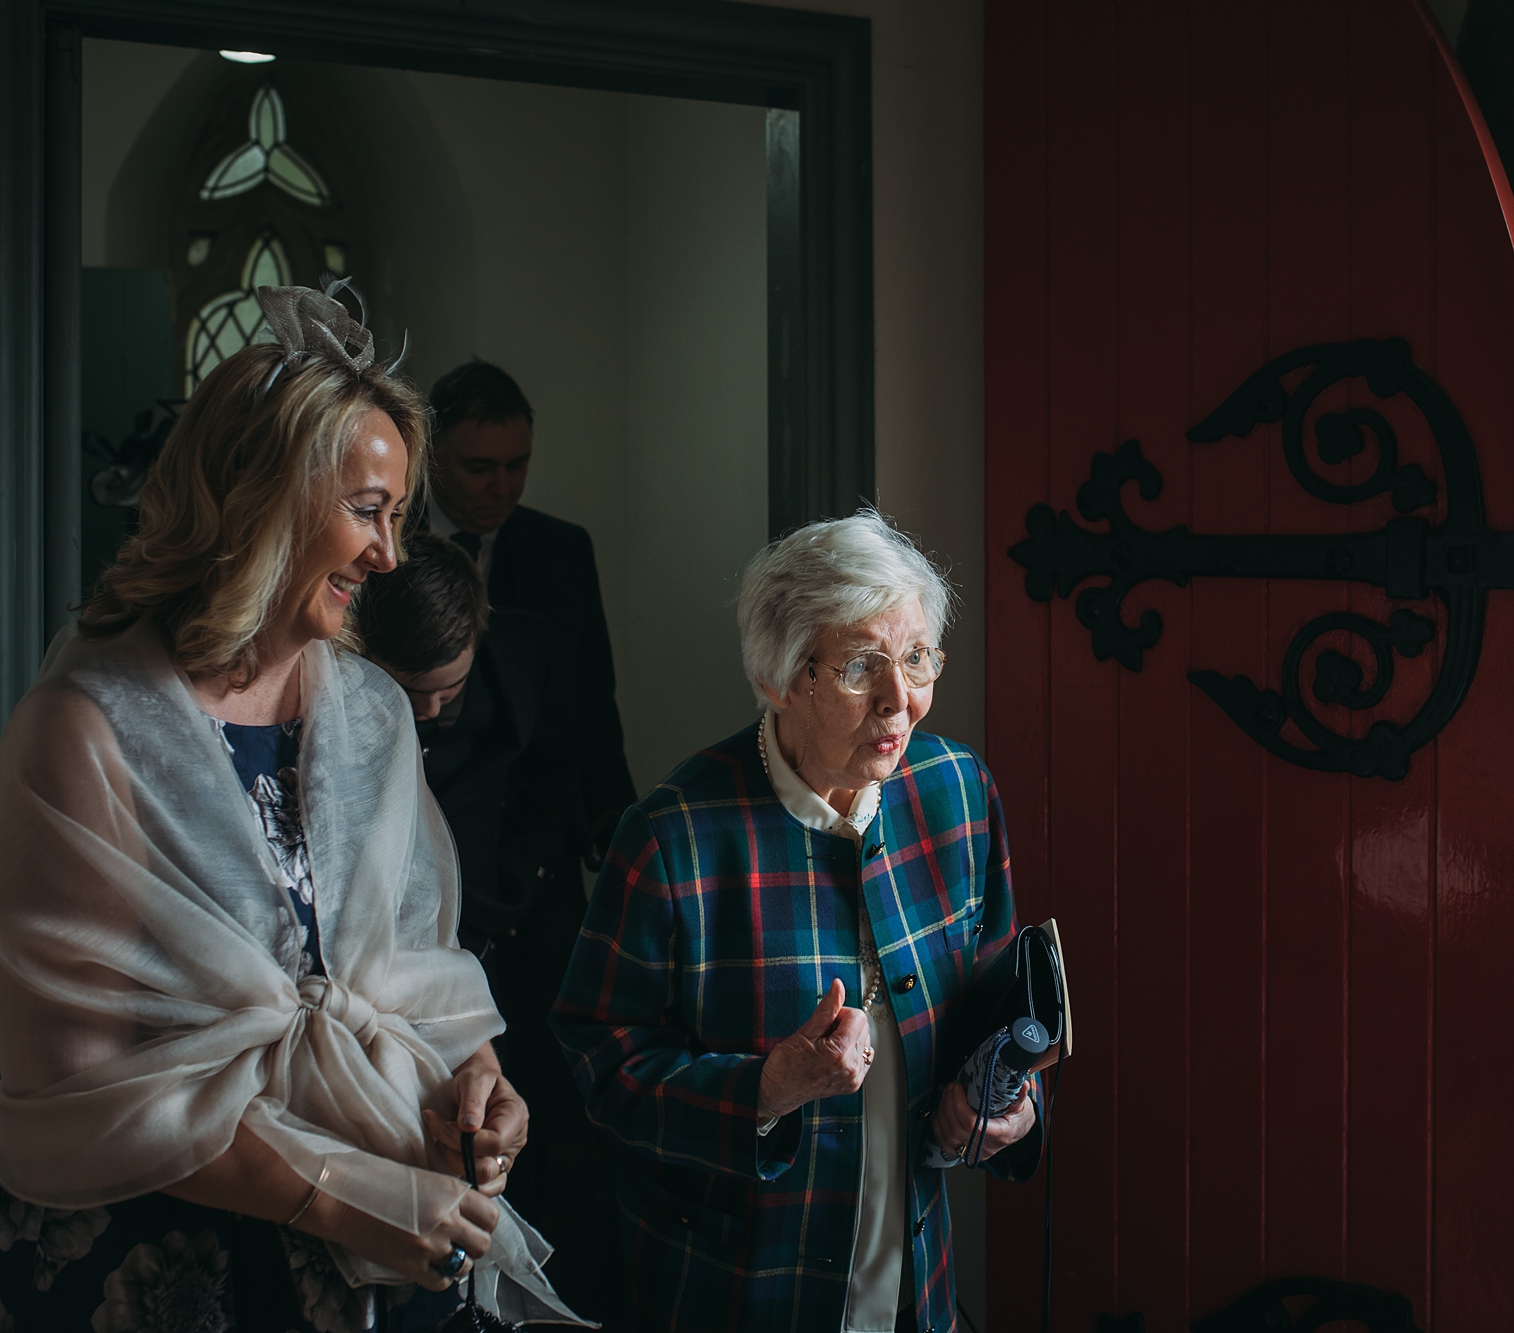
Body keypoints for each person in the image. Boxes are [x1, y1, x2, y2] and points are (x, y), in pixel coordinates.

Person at [0, 286, 583, 1333]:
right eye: (367, 511)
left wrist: (479, 1087)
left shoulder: (368, 711)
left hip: (379, 1237)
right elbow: (85, 1081)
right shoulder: (84, 733)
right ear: (259, 500)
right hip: (149, 1259)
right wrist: (334, 1195)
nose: (390, 556)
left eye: (398, 516)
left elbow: (420, 975)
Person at [551, 510, 1045, 1333]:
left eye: (918, 658)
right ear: (781, 678)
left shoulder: (958, 792)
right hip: (737, 1293)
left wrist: (1003, 1098)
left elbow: (997, 1001)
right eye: (862, 666)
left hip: (915, 1296)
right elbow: (600, 1067)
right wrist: (765, 1088)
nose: (902, 702)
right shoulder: (672, 838)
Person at [356, 533, 625, 1329]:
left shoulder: (528, 660)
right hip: (399, 954)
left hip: (522, 918)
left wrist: (522, 883)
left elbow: (567, 767)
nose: (434, 711)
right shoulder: (346, 706)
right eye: (413, 694)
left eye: (452, 689)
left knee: (541, 1130)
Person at [418, 360, 635, 884]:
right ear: (431, 456)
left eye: (517, 465)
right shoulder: (386, 548)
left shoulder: (561, 551)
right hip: (425, 826)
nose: (502, 486)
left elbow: (591, 703)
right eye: (480, 468)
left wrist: (615, 826)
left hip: (542, 835)